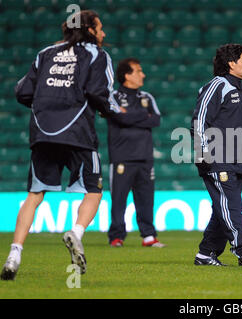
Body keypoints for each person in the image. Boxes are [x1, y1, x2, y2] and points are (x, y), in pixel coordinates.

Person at [1, 10, 122, 280]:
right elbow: (98, 91)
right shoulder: (96, 55)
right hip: (78, 133)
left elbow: (22, 91)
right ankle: (76, 233)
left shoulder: (45, 53)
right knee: (94, 190)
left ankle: (14, 254)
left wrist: (47, 107)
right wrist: (111, 111)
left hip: (43, 132)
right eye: (100, 28)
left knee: (34, 196)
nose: (104, 34)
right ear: (90, 30)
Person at [190, 43, 242, 266]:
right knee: (231, 205)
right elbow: (200, 120)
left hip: (238, 159)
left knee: (222, 208)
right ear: (231, 63)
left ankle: (206, 254)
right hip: (217, 157)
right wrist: (202, 152)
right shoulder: (217, 86)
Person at [107, 58, 164, 248]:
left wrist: (128, 115)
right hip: (122, 157)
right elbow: (118, 118)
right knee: (118, 199)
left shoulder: (147, 97)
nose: (143, 74)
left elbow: (156, 120)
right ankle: (117, 237)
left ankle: (148, 236)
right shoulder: (113, 96)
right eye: (138, 71)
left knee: (146, 199)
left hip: (145, 157)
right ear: (127, 75)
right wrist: (141, 115)